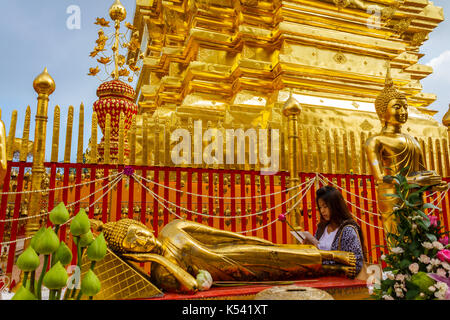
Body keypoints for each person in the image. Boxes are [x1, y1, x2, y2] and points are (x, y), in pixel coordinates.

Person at [90, 217, 358, 294]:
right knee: (280, 271)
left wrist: (256, 241)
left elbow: (221, 235)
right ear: (133, 255)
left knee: (275, 252)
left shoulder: (172, 229)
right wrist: (156, 259)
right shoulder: (162, 272)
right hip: (231, 273)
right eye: (133, 243)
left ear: (142, 224)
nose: (141, 239)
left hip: (235, 251)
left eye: (137, 231)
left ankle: (331, 255)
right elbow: (193, 286)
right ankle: (331, 268)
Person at [364, 64, 447, 237]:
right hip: (393, 197)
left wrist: (434, 183)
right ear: (382, 112)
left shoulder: (413, 141)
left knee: (419, 240)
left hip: (415, 196)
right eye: (397, 107)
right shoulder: (375, 141)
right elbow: (380, 177)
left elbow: (421, 171)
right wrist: (412, 179)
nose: (403, 111)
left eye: (405, 107)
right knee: (398, 243)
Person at [304, 186, 365, 275]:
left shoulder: (347, 230)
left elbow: (356, 264)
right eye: (320, 207)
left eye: (325, 206)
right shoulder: (321, 228)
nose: (322, 211)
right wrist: (310, 248)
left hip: (341, 282)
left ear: (336, 206)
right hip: (321, 278)